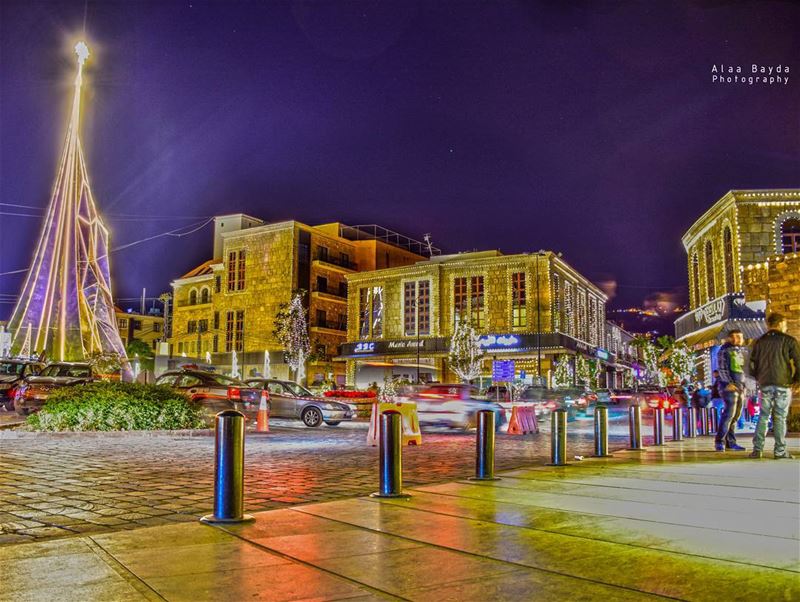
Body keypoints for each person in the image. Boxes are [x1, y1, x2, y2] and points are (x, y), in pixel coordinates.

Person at [749, 313, 800, 459]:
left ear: (768, 324)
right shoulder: (789, 340)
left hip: (765, 383)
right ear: (780, 324)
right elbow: (798, 361)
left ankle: (757, 449)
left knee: (763, 417)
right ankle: (780, 451)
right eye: (785, 324)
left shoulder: (758, 342)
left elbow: (751, 364)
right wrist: (797, 380)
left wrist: (758, 377)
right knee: (780, 417)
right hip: (782, 383)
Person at [715, 329, 747, 451]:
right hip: (729, 386)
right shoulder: (724, 350)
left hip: (740, 386)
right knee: (729, 414)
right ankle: (719, 441)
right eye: (734, 337)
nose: (737, 339)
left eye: (739, 337)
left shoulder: (742, 351)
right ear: (729, 338)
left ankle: (731, 441)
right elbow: (722, 368)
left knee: (736, 415)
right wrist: (728, 382)